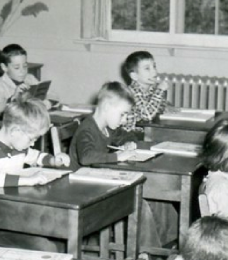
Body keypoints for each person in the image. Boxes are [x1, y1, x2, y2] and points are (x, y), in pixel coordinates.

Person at [70, 81, 176, 250]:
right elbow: (86, 157)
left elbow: (125, 134)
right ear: (107, 107)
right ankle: (147, 256)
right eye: (123, 114)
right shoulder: (87, 129)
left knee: (160, 200)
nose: (125, 119)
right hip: (85, 192)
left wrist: (129, 142)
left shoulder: (107, 128)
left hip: (102, 184)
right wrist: (118, 155)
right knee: (139, 205)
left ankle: (168, 245)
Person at [0, 99, 69, 188]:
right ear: (15, 131)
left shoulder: (17, 147)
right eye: (31, 139)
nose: (32, 144)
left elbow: (37, 157)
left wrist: (54, 161)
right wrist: (28, 180)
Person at [119, 50, 169, 139]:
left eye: (154, 66)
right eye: (147, 68)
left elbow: (158, 106)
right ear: (134, 76)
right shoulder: (132, 92)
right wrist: (160, 90)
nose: (154, 72)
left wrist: (166, 107)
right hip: (125, 137)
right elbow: (147, 115)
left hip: (140, 133)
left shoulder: (150, 88)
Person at [0, 44, 44, 120]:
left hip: (30, 121)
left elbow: (53, 96)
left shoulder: (30, 78)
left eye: (25, 66)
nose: (22, 71)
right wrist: (13, 99)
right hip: (11, 125)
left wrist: (46, 103)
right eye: (16, 67)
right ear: (4, 67)